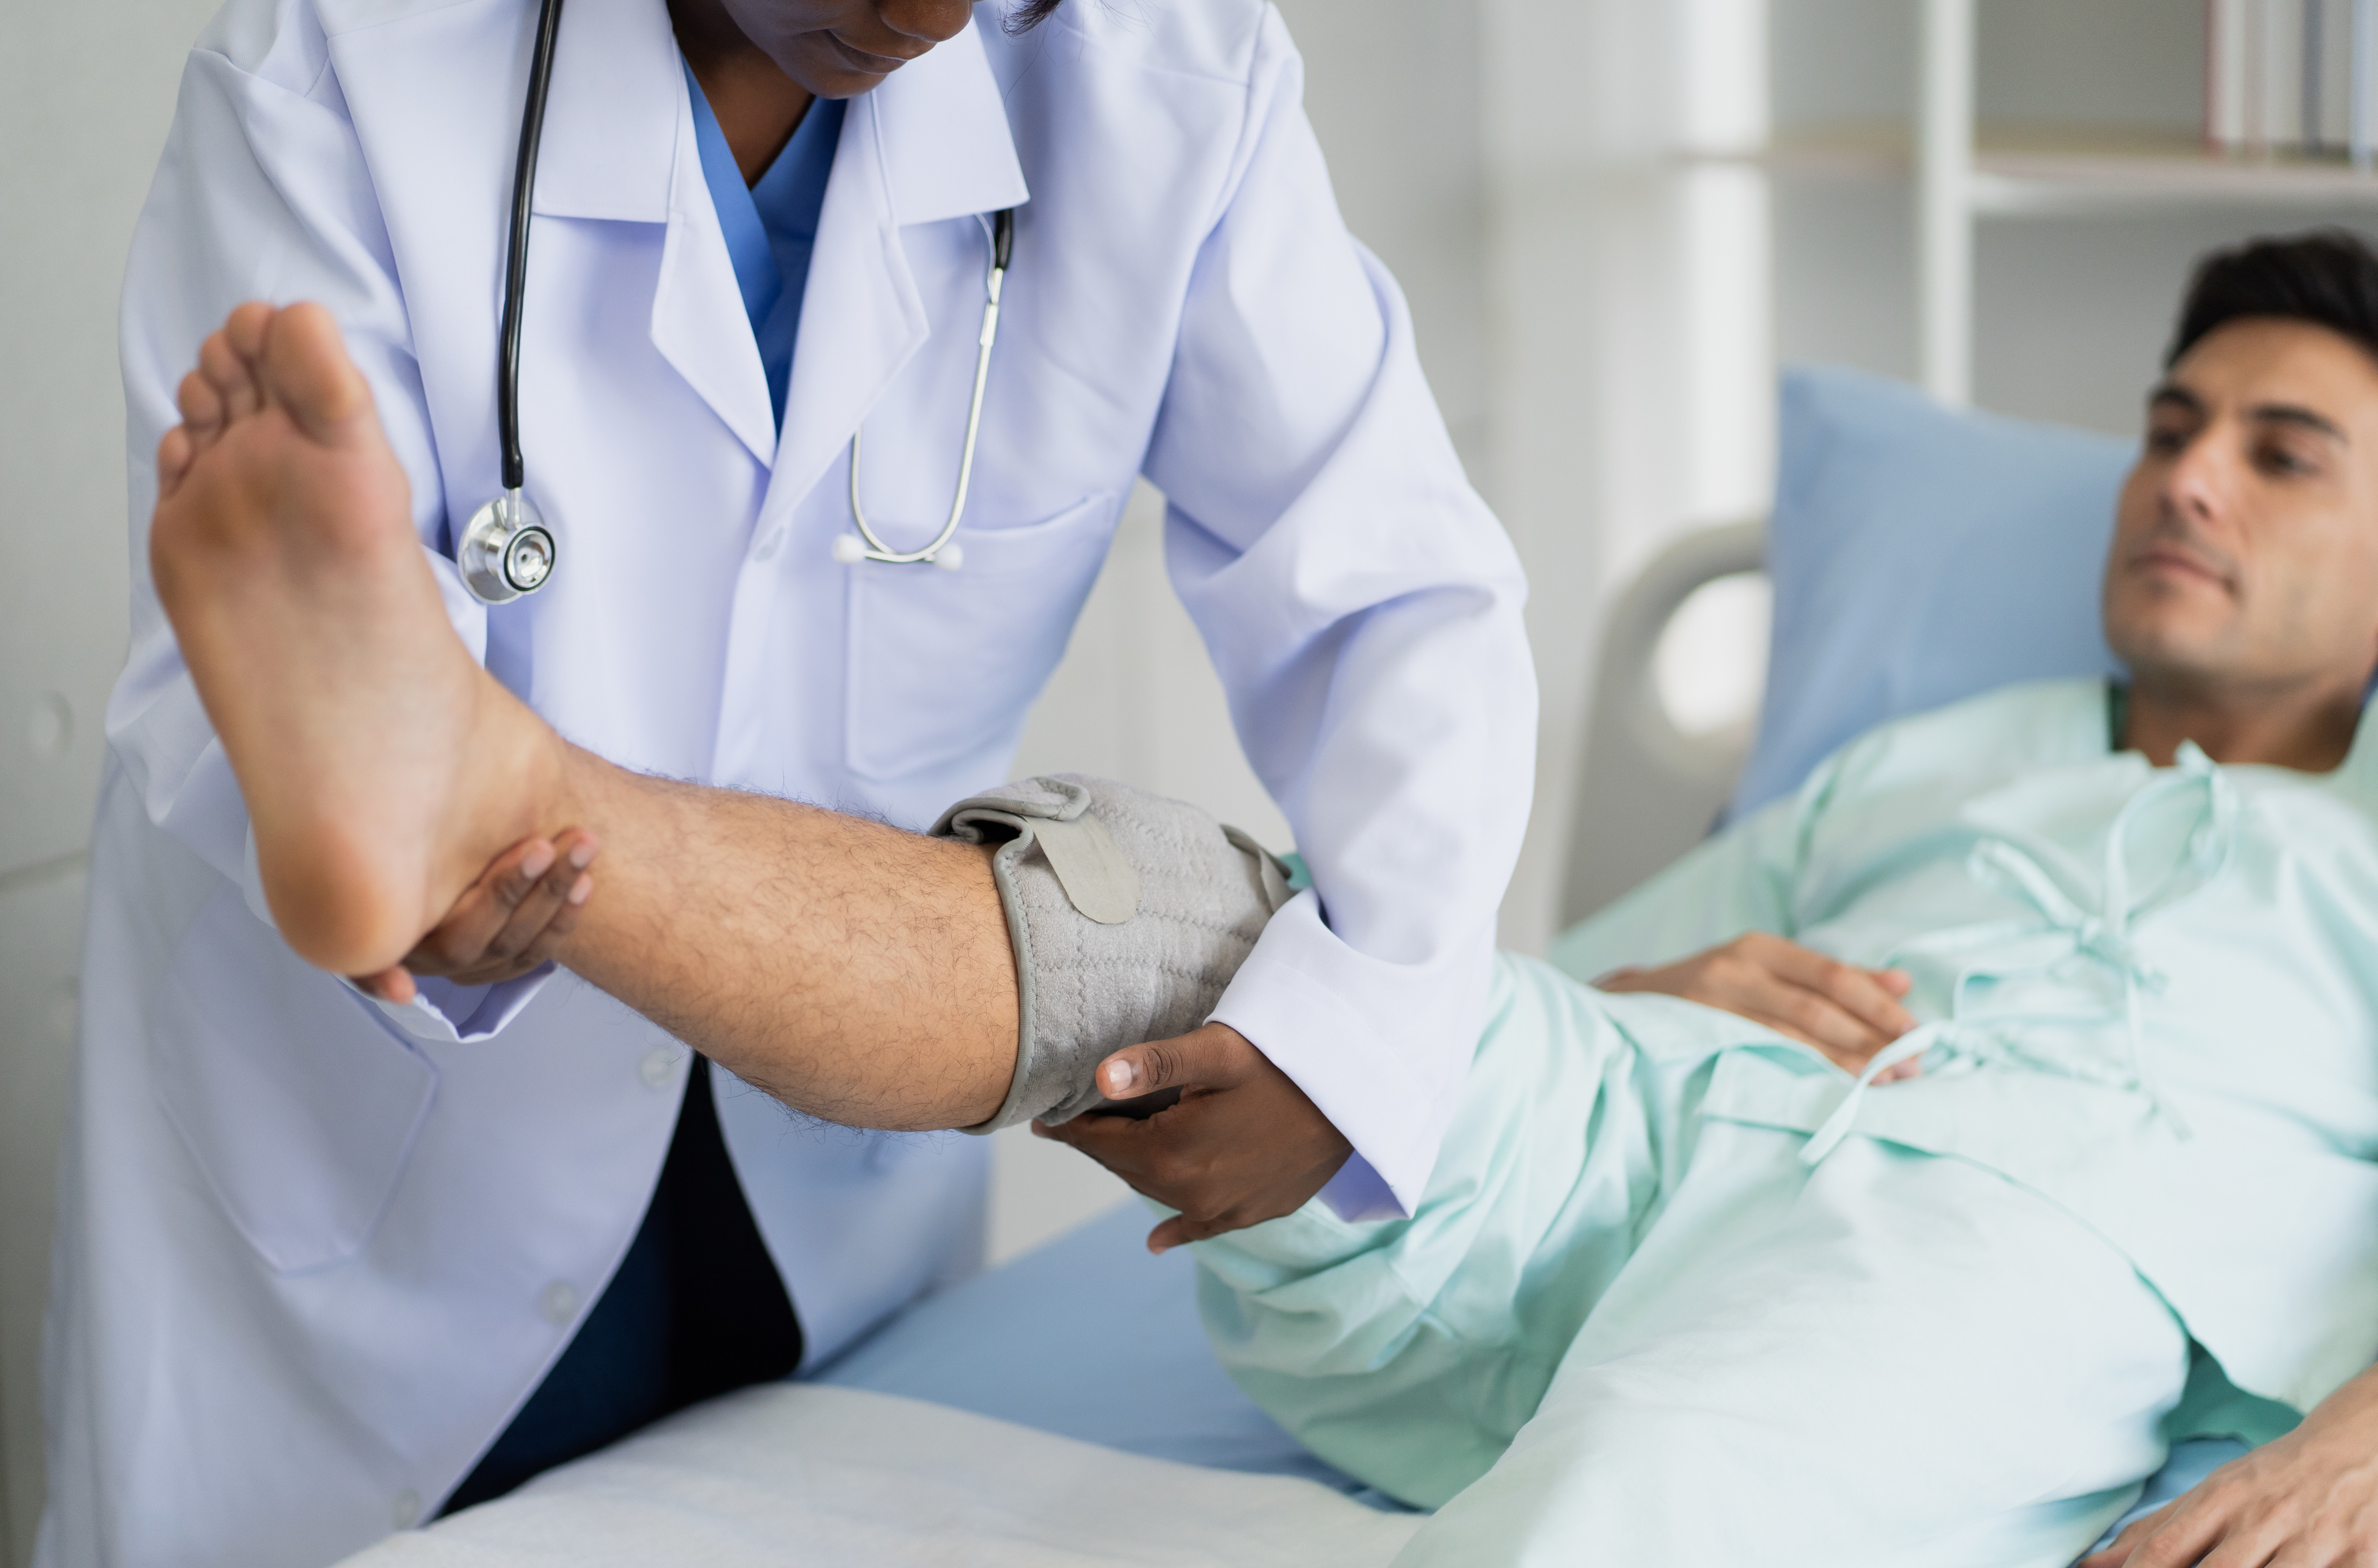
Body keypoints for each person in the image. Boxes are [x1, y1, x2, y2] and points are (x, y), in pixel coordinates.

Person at [143, 228, 2378, 1565]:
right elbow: (1499, 1000)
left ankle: (488, 799)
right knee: (1175, 921)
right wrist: (1651, 980)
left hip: (2013, 1200)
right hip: (1635, 1119)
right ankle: (498, 808)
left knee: (1672, 1472)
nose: (2185, 477)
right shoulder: (1926, 763)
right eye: (2171, 426)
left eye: (2280, 455)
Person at [64, 0, 1533, 1560]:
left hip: (821, 1103)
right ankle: (426, 777)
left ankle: (468, 784)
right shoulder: (354, 57)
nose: (925, 15)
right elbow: (201, 707)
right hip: (386, 1167)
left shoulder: (1157, 68)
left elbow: (1392, 592)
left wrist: (1351, 1038)